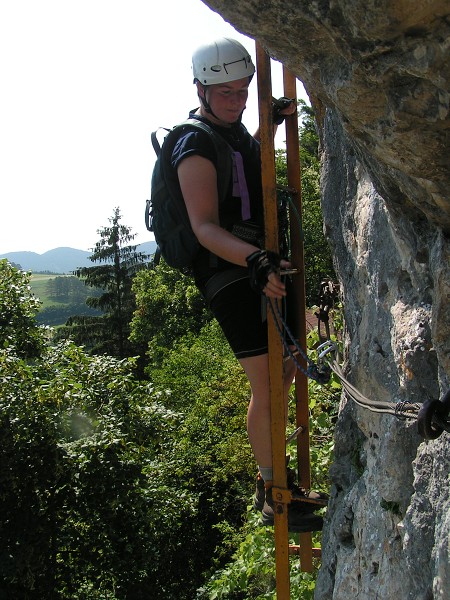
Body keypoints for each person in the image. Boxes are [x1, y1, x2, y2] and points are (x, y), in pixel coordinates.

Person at [171, 38, 323, 531]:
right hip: (228, 271)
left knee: (284, 374)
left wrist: (268, 126)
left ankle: (277, 482)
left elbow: (245, 169)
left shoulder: (233, 133)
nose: (236, 100)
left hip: (257, 263)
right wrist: (255, 259)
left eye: (243, 90)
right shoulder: (192, 143)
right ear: (201, 89)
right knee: (268, 380)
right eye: (226, 93)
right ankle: (272, 490)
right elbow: (204, 225)